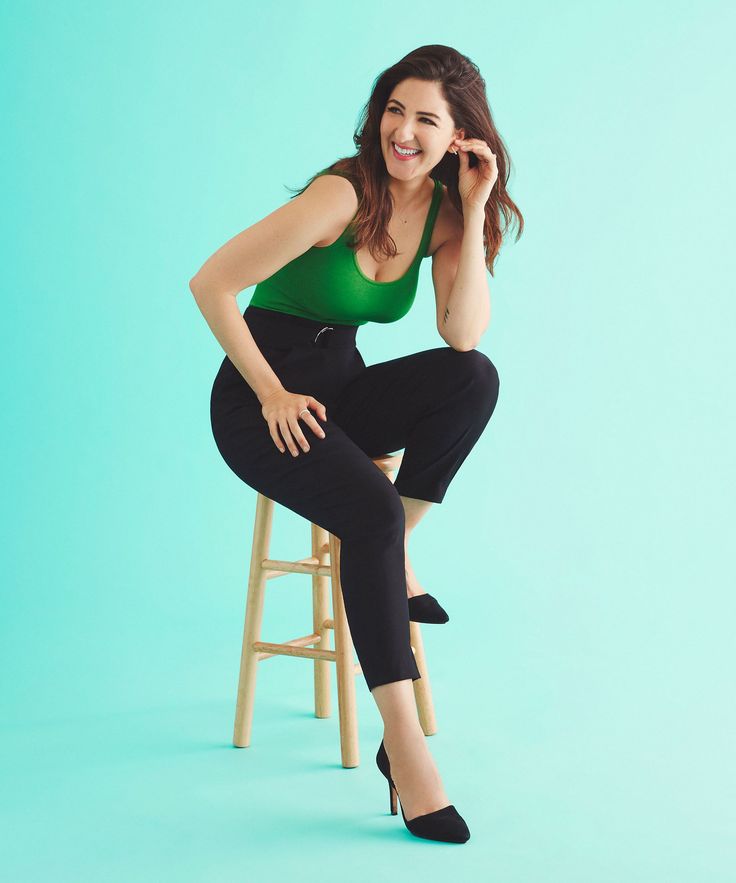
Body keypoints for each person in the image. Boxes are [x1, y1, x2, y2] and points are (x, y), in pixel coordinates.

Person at [189, 44, 523, 844]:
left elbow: (461, 332)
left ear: (460, 138)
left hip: (338, 386)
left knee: (473, 377)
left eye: (427, 120)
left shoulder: (445, 210)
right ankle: (405, 752)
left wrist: (474, 213)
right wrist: (270, 390)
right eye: (394, 110)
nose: (402, 131)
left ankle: (395, 546)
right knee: (367, 516)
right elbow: (211, 281)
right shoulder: (342, 195)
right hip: (262, 398)